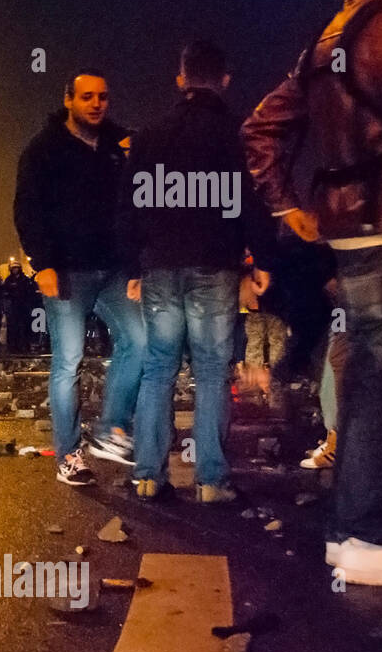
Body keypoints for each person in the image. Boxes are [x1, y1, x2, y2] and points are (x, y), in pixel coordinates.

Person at [241, 0, 382, 584]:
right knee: (377, 379)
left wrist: (289, 206)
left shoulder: (326, 41)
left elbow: (260, 129)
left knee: (368, 376)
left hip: (349, 231)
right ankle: (365, 534)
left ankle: (351, 533)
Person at [119, 39, 278, 503]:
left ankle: (148, 476)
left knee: (158, 369)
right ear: (224, 80)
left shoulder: (148, 136)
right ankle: (211, 480)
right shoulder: (235, 134)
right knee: (211, 371)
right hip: (215, 263)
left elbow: (127, 207)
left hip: (160, 266)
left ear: (180, 79)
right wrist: (262, 260)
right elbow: (250, 201)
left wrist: (134, 265)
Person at [13, 69, 146, 485]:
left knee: (140, 341)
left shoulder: (119, 145)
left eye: (102, 96)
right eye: (87, 96)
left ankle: (111, 429)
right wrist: (43, 263)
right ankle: (69, 455)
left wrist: (136, 265)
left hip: (113, 269)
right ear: (68, 99)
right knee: (69, 361)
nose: (96, 104)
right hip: (67, 271)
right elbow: (27, 209)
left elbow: (133, 205)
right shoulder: (43, 149)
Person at [3, 261, 41, 354]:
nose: (15, 270)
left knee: (25, 326)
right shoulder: (8, 280)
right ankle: (13, 346)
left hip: (24, 306)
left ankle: (25, 344)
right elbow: (5, 293)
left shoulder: (25, 280)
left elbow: (30, 292)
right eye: (13, 268)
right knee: (13, 327)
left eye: (16, 268)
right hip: (13, 307)